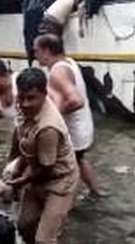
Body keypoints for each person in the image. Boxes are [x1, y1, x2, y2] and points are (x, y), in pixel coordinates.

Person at [7, 68, 79, 244]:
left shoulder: (48, 127)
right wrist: (11, 165)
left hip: (59, 181)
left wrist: (21, 181)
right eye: (22, 97)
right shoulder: (23, 109)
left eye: (32, 98)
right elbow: (18, 136)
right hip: (35, 172)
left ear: (44, 94)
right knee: (24, 225)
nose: (25, 103)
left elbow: (46, 168)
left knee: (44, 240)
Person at [33, 34, 103, 195]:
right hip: (83, 126)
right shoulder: (69, 62)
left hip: (73, 130)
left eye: (36, 51)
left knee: (58, 167)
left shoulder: (58, 72)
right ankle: (97, 192)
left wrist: (52, 117)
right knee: (79, 161)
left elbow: (77, 101)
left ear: (46, 50)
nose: (35, 56)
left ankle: (62, 201)